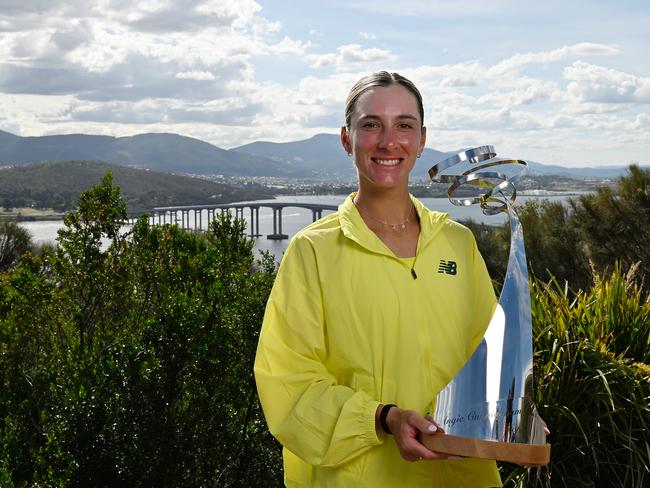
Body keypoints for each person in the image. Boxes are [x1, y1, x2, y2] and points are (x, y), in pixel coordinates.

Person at [254, 71, 502, 487]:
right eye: (371, 125)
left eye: (404, 125)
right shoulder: (312, 253)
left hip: (462, 477)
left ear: (422, 140)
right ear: (347, 138)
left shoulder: (457, 244)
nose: (389, 142)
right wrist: (383, 418)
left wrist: (513, 416)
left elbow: (490, 359)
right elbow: (288, 384)